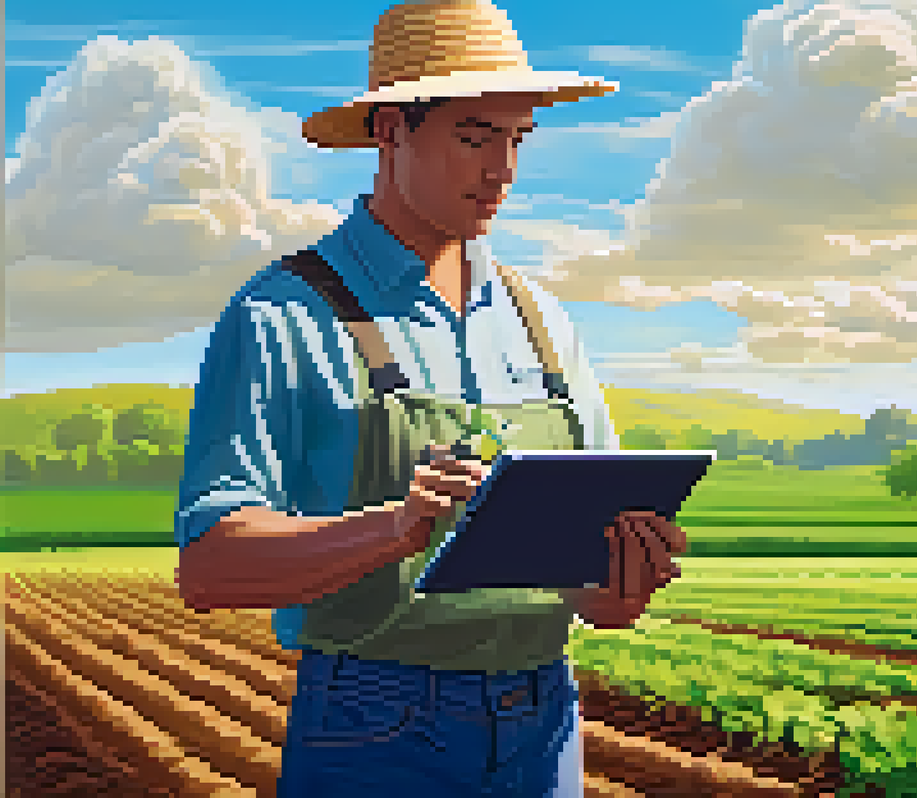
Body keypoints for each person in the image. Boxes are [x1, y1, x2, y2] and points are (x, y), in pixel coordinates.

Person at [173, 2, 685, 796]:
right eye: (476, 135)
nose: (502, 170)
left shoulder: (541, 319)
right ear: (389, 130)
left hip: (543, 719)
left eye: (517, 139)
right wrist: (396, 531)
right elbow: (211, 567)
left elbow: (590, 594)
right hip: (373, 723)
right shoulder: (283, 313)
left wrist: (617, 582)